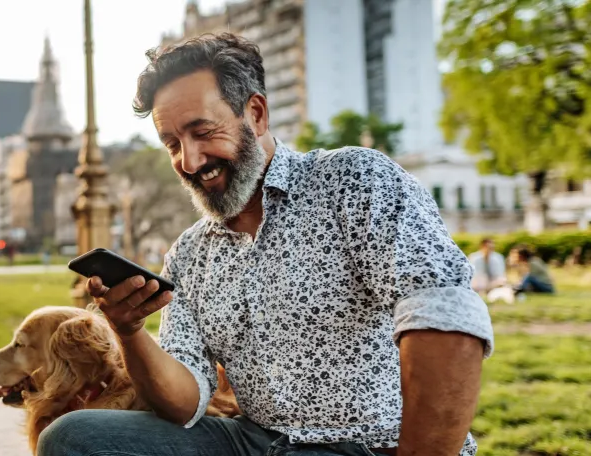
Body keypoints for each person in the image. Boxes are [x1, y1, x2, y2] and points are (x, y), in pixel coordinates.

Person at [38, 33, 493, 456]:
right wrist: (129, 331)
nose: (189, 161)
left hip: (367, 446)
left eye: (202, 132)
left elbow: (445, 318)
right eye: (172, 143)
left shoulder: (354, 181)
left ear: (255, 114)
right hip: (252, 441)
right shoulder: (190, 254)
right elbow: (183, 404)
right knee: (72, 438)